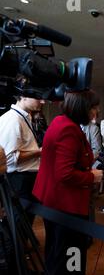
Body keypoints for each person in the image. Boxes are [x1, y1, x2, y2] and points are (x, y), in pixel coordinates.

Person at [33, 90, 103, 275]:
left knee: (57, 254)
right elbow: (64, 173)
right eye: (93, 107)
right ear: (83, 108)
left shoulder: (59, 122)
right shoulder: (69, 129)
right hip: (65, 205)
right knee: (71, 257)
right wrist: (91, 176)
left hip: (54, 203)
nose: (96, 111)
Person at [0, 96, 45, 226]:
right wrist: (40, 151)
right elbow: (9, 158)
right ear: (24, 96)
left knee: (23, 223)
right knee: (17, 224)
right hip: (19, 180)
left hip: (25, 179)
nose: (42, 102)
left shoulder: (23, 117)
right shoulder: (13, 119)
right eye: (38, 97)